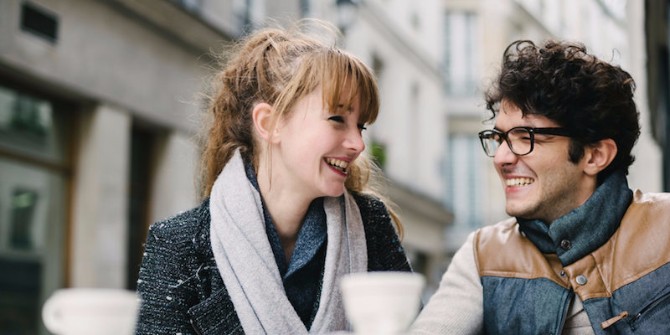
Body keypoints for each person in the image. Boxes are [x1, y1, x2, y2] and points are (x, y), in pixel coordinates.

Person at [134, 21, 411, 335]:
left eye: (360, 126)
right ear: (269, 123)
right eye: (337, 119)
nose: (358, 144)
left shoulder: (370, 225)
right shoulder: (178, 245)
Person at [410, 39, 670, 334]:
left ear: (595, 155)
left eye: (525, 137)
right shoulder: (484, 254)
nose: (502, 158)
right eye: (499, 139)